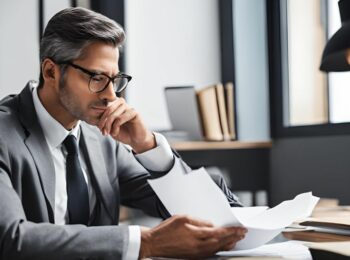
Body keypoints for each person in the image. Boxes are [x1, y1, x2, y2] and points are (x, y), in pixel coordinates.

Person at [0, 7, 246, 260]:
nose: (111, 96)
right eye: (96, 78)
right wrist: (146, 242)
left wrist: (147, 144)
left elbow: (208, 213)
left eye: (114, 79)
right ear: (51, 71)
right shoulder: (4, 135)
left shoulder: (102, 139)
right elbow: (10, 239)